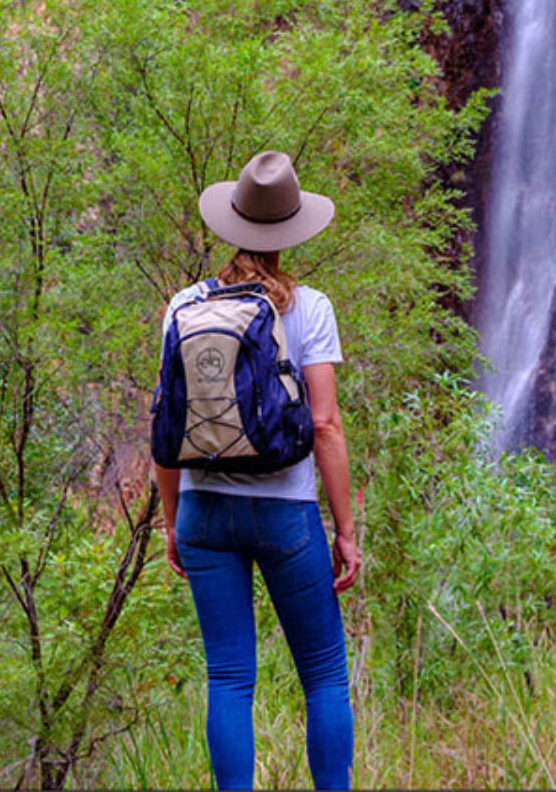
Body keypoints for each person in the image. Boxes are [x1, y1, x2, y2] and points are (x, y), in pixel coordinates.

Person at [154, 150, 360, 792]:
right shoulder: (310, 309)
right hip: (285, 513)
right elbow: (324, 425)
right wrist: (346, 532)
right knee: (323, 672)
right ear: (290, 230)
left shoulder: (183, 305)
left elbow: (164, 423)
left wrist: (171, 522)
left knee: (229, 677)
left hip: (203, 511)